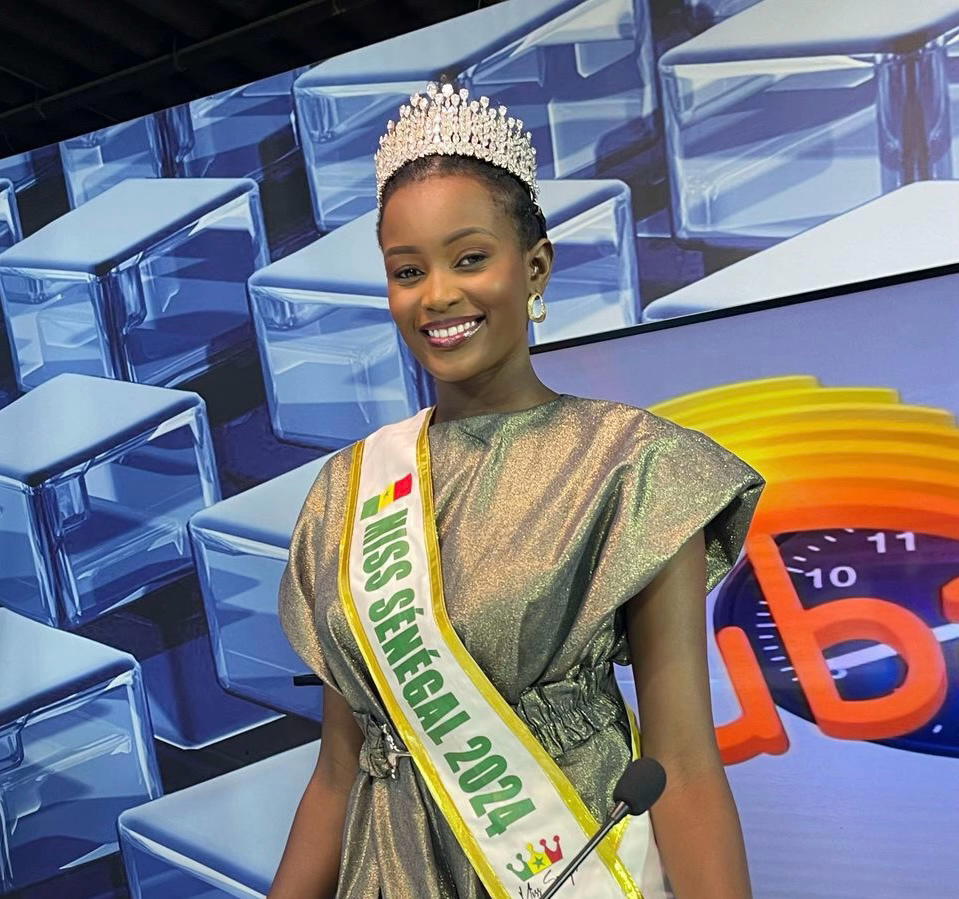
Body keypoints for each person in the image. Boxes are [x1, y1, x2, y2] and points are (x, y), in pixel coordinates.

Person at [269, 80, 765, 899]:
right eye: (407, 270)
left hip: (565, 869)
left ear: (534, 267)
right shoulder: (347, 491)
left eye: (469, 258)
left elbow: (680, 761)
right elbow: (337, 772)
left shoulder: (631, 465)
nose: (437, 294)